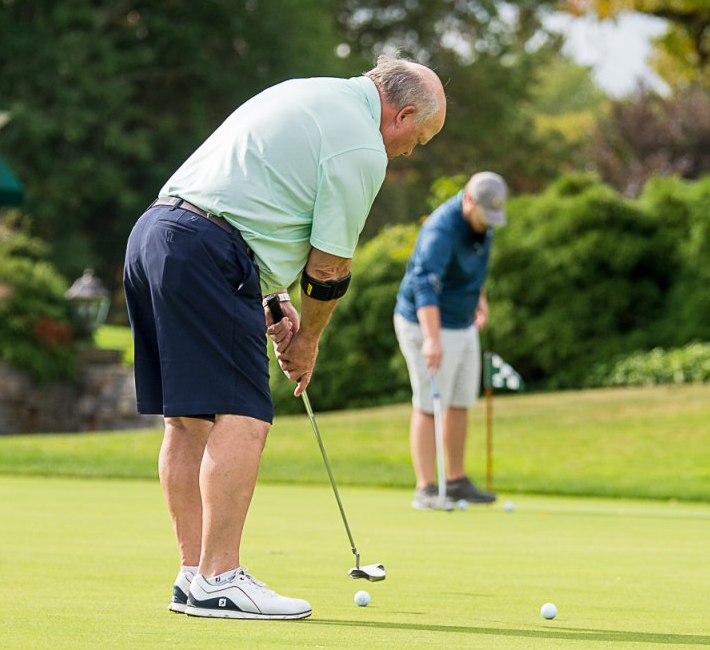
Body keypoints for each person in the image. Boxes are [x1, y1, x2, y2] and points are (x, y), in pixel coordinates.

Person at [123, 56, 446, 620]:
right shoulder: (362, 146)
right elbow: (329, 267)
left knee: (188, 419)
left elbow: (256, 197)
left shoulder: (307, 92)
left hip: (156, 235)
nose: (408, 152)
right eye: (417, 139)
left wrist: (270, 296)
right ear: (405, 114)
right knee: (243, 413)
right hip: (207, 252)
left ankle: (193, 575)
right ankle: (220, 576)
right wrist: (308, 342)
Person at [393, 171, 507, 509]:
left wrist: (479, 299)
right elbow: (423, 284)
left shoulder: (481, 224)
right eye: (484, 215)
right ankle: (426, 488)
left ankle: (454, 480)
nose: (488, 224)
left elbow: (475, 267)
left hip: (461, 322)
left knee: (459, 401)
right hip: (424, 323)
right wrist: (431, 339)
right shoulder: (440, 231)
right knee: (429, 404)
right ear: (469, 200)